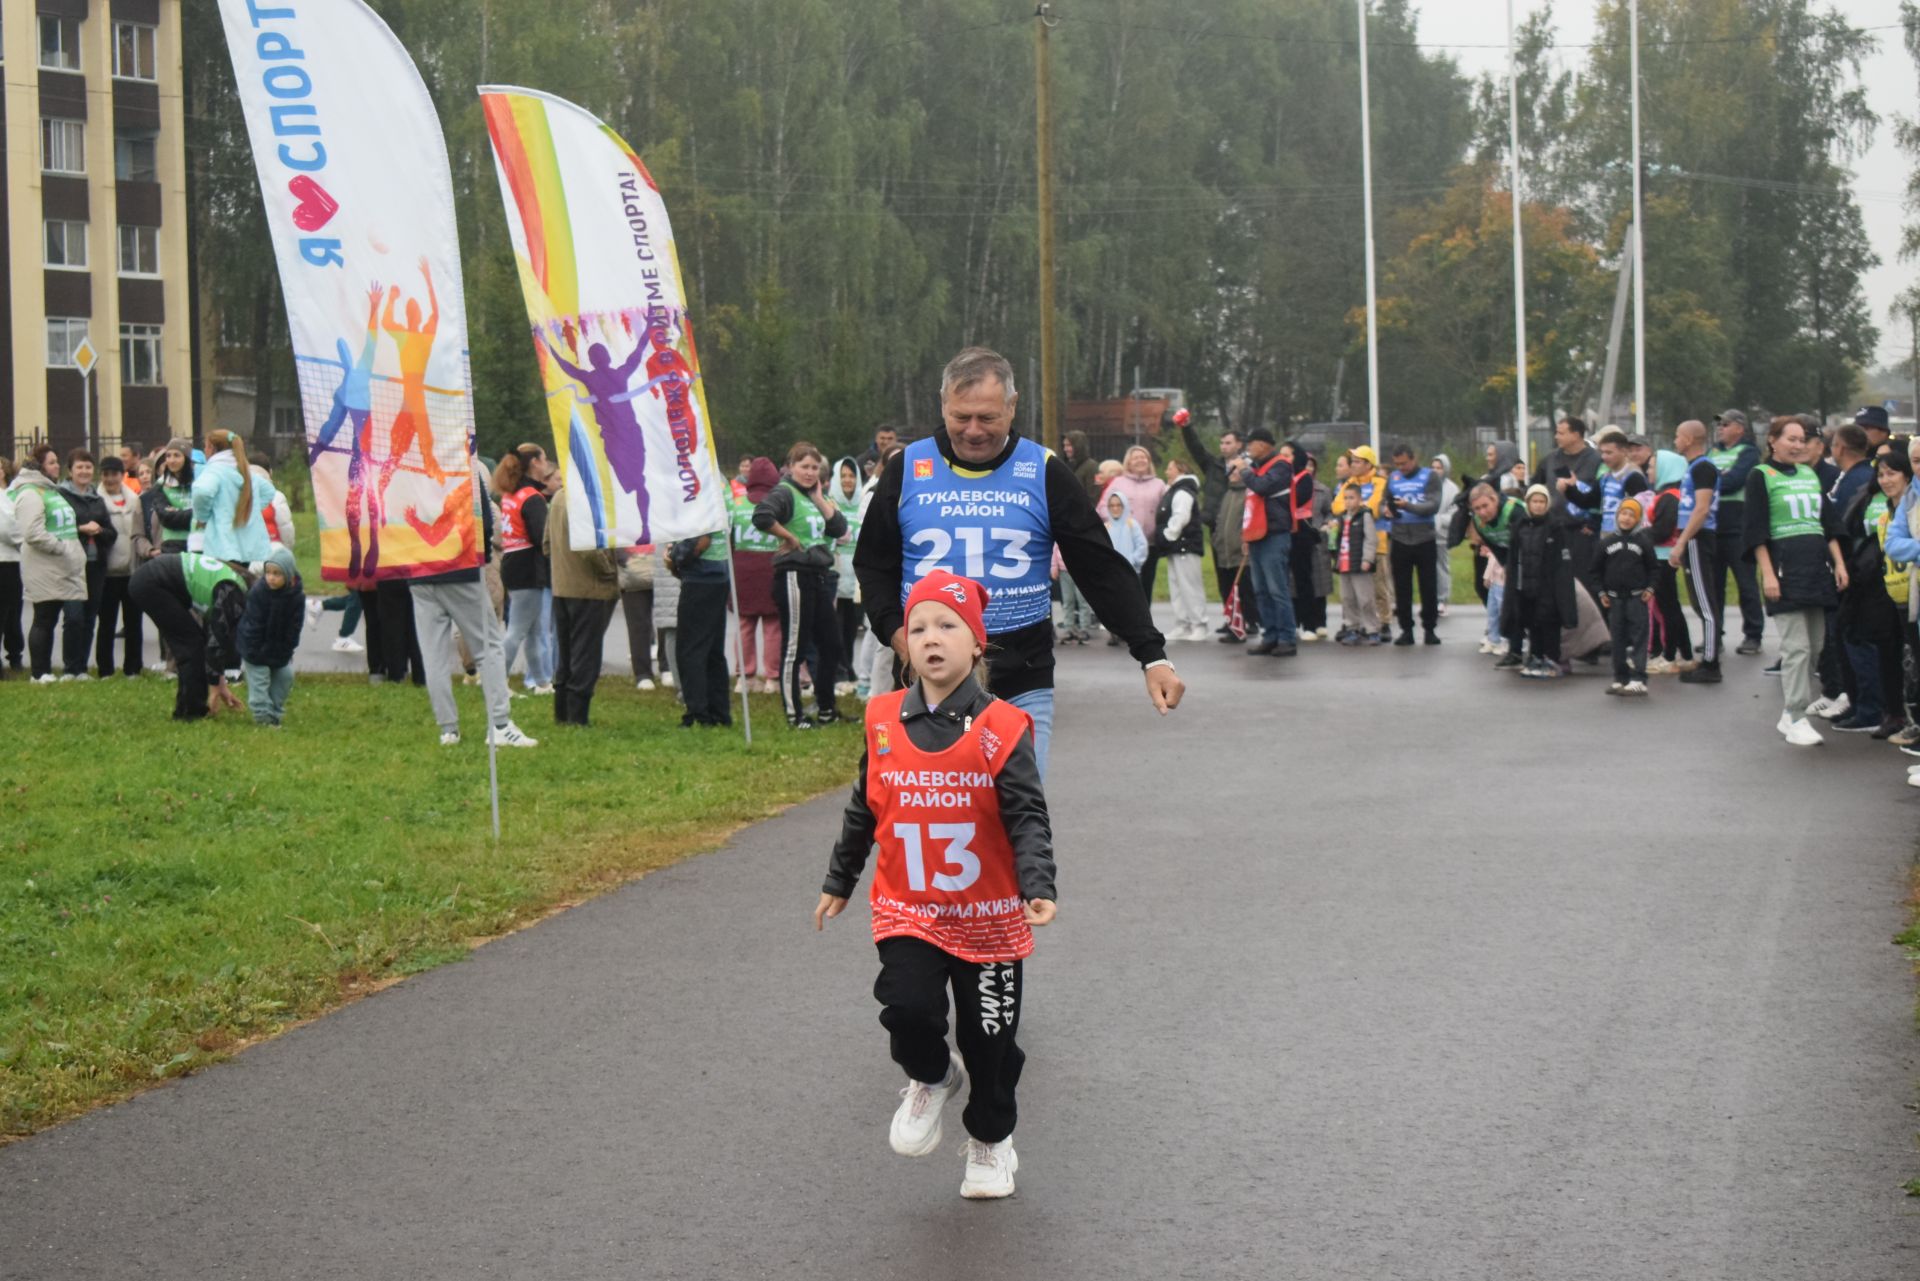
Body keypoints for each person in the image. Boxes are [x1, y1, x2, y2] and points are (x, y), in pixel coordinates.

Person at [814, 570, 1056, 1201]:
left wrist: (1038, 882)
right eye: (918, 628)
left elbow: (1027, 813)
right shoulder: (882, 721)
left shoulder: (1003, 728)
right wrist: (841, 877)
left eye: (947, 625)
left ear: (978, 644)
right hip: (909, 908)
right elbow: (865, 806)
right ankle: (928, 1075)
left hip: (991, 915)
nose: (931, 638)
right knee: (908, 1010)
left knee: (991, 1044)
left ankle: (990, 1141)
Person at [856, 349, 1180, 774]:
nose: (973, 431)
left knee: (1021, 816)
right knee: (941, 810)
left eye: (987, 418)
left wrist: (1152, 655)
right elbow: (874, 565)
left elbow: (1099, 568)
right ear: (943, 405)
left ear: (1012, 406)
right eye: (961, 416)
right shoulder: (907, 469)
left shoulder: (1044, 471)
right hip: (930, 678)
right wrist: (899, 637)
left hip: (1021, 677)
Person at [413, 465, 538, 748]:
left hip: (419, 568)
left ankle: (448, 730)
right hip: (460, 565)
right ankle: (500, 724)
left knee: (433, 653)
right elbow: (483, 519)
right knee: (489, 645)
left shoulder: (412, 469)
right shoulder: (461, 462)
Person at [1745, 415, 1847, 746]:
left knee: (1816, 646)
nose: (1798, 445)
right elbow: (1756, 531)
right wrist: (1769, 575)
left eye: (1802, 440)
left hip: (1817, 570)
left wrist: (1840, 564)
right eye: (1791, 439)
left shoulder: (1809, 474)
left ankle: (1792, 713)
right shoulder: (1760, 476)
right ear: (1772, 441)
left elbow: (1827, 525)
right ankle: (1795, 713)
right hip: (1784, 572)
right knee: (1796, 647)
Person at [754, 442, 848, 729]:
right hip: (794, 575)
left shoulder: (813, 496)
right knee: (795, 647)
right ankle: (795, 715)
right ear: (791, 467)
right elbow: (762, 516)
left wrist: (820, 499)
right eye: (804, 467)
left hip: (818, 574)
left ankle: (826, 709)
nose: (809, 472)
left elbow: (839, 529)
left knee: (831, 644)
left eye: (814, 468)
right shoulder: (785, 492)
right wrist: (789, 538)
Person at [127, 552, 247, 719]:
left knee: (194, 643)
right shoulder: (234, 595)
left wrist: (219, 684)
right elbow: (217, 641)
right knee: (191, 645)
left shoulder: (235, 584)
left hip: (152, 578)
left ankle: (187, 707)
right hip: (151, 582)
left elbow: (213, 640)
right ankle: (191, 712)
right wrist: (215, 686)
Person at [544, 481, 619, 727]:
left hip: (562, 585)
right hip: (589, 588)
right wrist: (609, 569)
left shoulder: (558, 498)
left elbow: (546, 543)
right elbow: (590, 548)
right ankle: (578, 716)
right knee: (585, 654)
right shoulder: (584, 499)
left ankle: (562, 713)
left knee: (565, 652)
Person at [13, 450, 90, 681]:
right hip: (44, 565)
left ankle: (61, 670)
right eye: (52, 462)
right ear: (40, 467)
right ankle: (39, 672)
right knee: (44, 618)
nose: (57, 466)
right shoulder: (30, 492)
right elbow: (32, 532)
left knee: (57, 617)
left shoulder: (49, 490)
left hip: (62, 565)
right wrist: (61, 547)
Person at [1667, 420, 1724, 685]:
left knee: (1705, 603)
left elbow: (1701, 509)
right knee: (1700, 600)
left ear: (1689, 439)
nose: (1675, 440)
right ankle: (1709, 658)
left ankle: (1711, 663)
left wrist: (1682, 541)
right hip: (1694, 538)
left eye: (1678, 436)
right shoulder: (1695, 467)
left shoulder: (1703, 467)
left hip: (1698, 538)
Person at [494, 450, 555, 695]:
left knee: (534, 630)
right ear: (534, 463)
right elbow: (542, 537)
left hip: (513, 562)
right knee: (517, 630)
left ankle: (541, 682)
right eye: (543, 459)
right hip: (528, 567)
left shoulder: (511, 494)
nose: (546, 465)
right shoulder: (532, 498)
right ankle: (498, 682)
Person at [1708, 410, 1765, 654]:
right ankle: (1715, 635)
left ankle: (1753, 635)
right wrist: (1720, 477)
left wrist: (1715, 480)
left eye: (1725, 424)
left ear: (1740, 428)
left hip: (1738, 528)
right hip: (1713, 527)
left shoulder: (1748, 452)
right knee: (1714, 586)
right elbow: (1703, 478)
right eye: (1719, 424)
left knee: (1746, 584)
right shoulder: (1712, 452)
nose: (1720, 428)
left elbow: (1735, 480)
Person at [670, 526, 734, 728]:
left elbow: (698, 543)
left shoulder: (699, 501)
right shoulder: (719, 499)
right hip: (719, 575)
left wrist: (673, 555)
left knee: (691, 650)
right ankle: (719, 712)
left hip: (700, 578)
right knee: (714, 651)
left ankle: (698, 714)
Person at [1511, 484, 1575, 679]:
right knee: (1532, 623)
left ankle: (1552, 659)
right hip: (1526, 585)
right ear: (1528, 503)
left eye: (1542, 502)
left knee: (1549, 623)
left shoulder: (1555, 527)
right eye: (1534, 501)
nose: (1538, 506)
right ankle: (1535, 657)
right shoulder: (1520, 525)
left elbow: (1562, 559)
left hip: (1548, 585)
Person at [731, 457, 784, 695]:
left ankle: (745, 676)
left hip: (742, 572)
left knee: (744, 625)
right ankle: (772, 678)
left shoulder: (737, 504)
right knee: (773, 627)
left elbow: (729, 540)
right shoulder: (779, 503)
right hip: (773, 570)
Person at [1533, 416, 1602, 596]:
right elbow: (1534, 489)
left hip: (1583, 532)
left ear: (1576, 435)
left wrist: (1595, 522)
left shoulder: (1596, 460)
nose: (1556, 436)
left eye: (1561, 433)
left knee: (1583, 583)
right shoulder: (1549, 459)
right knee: (1553, 579)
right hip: (1553, 529)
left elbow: (1601, 495)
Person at [237, 545, 305, 727]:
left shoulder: (296, 596)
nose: (271, 578)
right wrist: (257, 651)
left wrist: (288, 648)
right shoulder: (259, 592)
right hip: (254, 649)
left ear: (289, 575)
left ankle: (273, 713)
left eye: (277, 574)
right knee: (260, 680)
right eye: (268, 572)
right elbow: (254, 625)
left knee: (285, 677)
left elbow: (295, 626)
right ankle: (263, 718)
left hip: (279, 649)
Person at [1596, 496, 1657, 696]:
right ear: (1617, 515)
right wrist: (1601, 592)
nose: (1626, 518)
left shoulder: (1643, 542)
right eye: (1623, 513)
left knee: (1639, 636)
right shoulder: (1607, 542)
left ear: (1638, 519)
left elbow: (1654, 568)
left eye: (1632, 515)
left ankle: (1639, 677)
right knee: (1618, 639)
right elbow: (1595, 570)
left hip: (1636, 598)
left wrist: (1650, 588)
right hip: (1614, 598)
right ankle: (1620, 677)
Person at [1383, 442, 1442, 646]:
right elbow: (1385, 502)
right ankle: (1406, 629)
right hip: (1399, 538)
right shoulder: (1393, 478)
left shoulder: (1429, 476)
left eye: (1405, 463)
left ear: (1413, 459)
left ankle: (1430, 628)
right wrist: (1387, 510)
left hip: (1424, 537)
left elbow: (1432, 505)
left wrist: (1407, 505)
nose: (1401, 468)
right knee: (1402, 587)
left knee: (1428, 586)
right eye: (1398, 464)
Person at [59, 449, 115, 663]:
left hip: (96, 565)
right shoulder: (61, 496)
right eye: (79, 467)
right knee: (74, 617)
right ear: (70, 471)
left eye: (88, 467)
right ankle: (70, 667)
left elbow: (111, 533)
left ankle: (81, 666)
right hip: (70, 564)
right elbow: (56, 528)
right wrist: (81, 528)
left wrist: (99, 530)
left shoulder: (97, 500)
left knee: (90, 617)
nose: (84, 471)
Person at [191, 429, 278, 565]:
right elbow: (269, 491)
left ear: (211, 448)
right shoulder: (245, 471)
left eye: (205, 446)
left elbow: (202, 491)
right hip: (248, 548)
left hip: (221, 548)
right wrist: (250, 509)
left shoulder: (215, 470)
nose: (204, 450)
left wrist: (202, 516)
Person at [1644, 449, 1694, 675]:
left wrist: (1637, 537)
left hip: (1663, 558)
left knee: (1666, 609)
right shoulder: (1670, 495)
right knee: (1671, 607)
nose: (1648, 471)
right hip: (1665, 557)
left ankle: (1669, 655)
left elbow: (1662, 531)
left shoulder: (1669, 498)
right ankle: (1685, 654)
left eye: (1653, 466)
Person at [95, 456, 144, 678]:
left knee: (133, 622)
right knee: (106, 623)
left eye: (114, 474)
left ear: (122, 475)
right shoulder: (96, 500)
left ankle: (133, 668)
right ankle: (105, 669)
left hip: (132, 570)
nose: (110, 479)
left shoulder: (135, 500)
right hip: (107, 572)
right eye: (106, 474)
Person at [1101, 445, 1168, 598]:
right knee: (1126, 584)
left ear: (1149, 461)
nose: (1140, 460)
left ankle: (1145, 619)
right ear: (1128, 462)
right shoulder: (1118, 483)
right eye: (1136, 458)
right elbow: (1103, 507)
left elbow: (1166, 511)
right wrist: (1117, 522)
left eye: (1143, 457)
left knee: (1146, 584)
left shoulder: (1159, 484)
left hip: (1150, 544)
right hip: (1124, 544)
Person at [1155, 457, 1207, 641]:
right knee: (1176, 587)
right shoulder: (1174, 490)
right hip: (1177, 548)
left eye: (1170, 468)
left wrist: (1168, 535)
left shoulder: (1183, 492)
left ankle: (1199, 624)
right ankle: (1183, 623)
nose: (1167, 472)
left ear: (1181, 470)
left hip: (1186, 546)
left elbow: (1181, 517)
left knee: (1190, 586)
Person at [1467, 483, 1519, 660]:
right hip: (1510, 557)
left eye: (1485, 506)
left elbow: (1530, 540)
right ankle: (1514, 649)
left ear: (1495, 500)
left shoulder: (1514, 511)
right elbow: (1496, 546)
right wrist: (1506, 566)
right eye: (1477, 508)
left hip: (1534, 556)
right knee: (1508, 604)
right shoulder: (1478, 522)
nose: (1481, 512)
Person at [1332, 471, 1380, 646]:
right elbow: (1338, 539)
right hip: (1344, 563)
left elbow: (1371, 539)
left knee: (1365, 598)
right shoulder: (1342, 517)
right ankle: (1352, 627)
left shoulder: (1365, 515)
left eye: (1352, 498)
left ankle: (1372, 629)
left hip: (1359, 563)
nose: (1348, 501)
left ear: (1360, 499)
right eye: (1345, 498)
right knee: (1347, 598)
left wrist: (1368, 559)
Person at [1291, 449, 1333, 640]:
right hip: (1298, 538)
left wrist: (1326, 524)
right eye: (1305, 464)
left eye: (1311, 465)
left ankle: (1320, 621)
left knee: (1319, 582)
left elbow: (1330, 512)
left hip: (1317, 540)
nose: (1308, 468)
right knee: (1296, 583)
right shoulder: (1292, 487)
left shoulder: (1323, 490)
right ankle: (1299, 620)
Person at [833, 456, 866, 686]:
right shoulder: (830, 504)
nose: (848, 480)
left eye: (852, 476)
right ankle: (838, 671)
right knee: (834, 627)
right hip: (835, 575)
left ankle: (849, 669)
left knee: (851, 629)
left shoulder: (863, 504)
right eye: (843, 476)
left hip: (856, 580)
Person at [142, 438, 195, 559]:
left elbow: (203, 515)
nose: (172, 460)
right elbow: (166, 518)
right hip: (171, 545)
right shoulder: (160, 485)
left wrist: (176, 512)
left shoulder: (199, 482)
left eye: (177, 455)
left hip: (196, 544)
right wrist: (190, 514)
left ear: (186, 458)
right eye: (168, 456)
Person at [617, 541, 658, 690]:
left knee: (666, 620)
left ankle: (666, 667)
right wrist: (625, 559)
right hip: (632, 565)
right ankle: (643, 673)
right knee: (638, 623)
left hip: (660, 561)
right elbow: (612, 532)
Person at [0, 457, 22, 673]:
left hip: (12, 560)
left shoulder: (12, 495)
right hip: (4, 557)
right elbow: (7, 529)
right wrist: (23, 543)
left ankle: (15, 655)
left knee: (13, 611)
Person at [1430, 455, 1459, 612]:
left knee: (1441, 567)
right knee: (1428, 569)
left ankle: (1442, 599)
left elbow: (1454, 513)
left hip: (1441, 535)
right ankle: (1430, 599)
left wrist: (1438, 520)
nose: (1435, 471)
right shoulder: (1426, 485)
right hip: (1425, 535)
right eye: (1433, 467)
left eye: (1439, 468)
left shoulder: (1452, 489)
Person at [1062, 429, 1100, 505]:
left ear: (1078, 446)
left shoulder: (1092, 467)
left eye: (1068, 445)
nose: (1065, 449)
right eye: (1064, 445)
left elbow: (1094, 496)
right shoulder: (1069, 466)